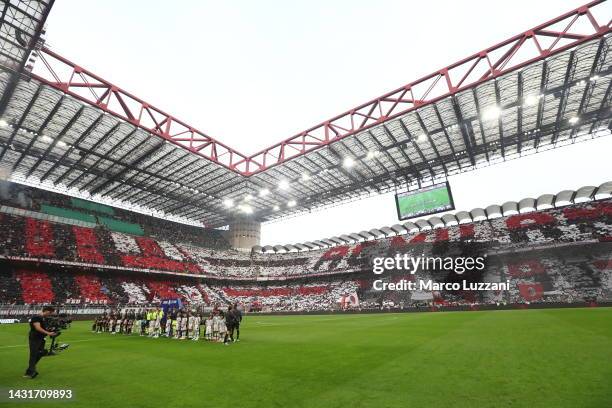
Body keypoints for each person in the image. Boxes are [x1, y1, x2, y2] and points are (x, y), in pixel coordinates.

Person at [24, 306, 57, 379]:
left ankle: (30, 369)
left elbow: (42, 327)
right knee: (34, 354)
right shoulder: (37, 317)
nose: (50, 315)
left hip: (41, 338)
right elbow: (37, 328)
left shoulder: (42, 318)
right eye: (50, 313)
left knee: (42, 352)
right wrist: (48, 333)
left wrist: (50, 330)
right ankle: (30, 372)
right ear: (47, 311)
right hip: (35, 338)